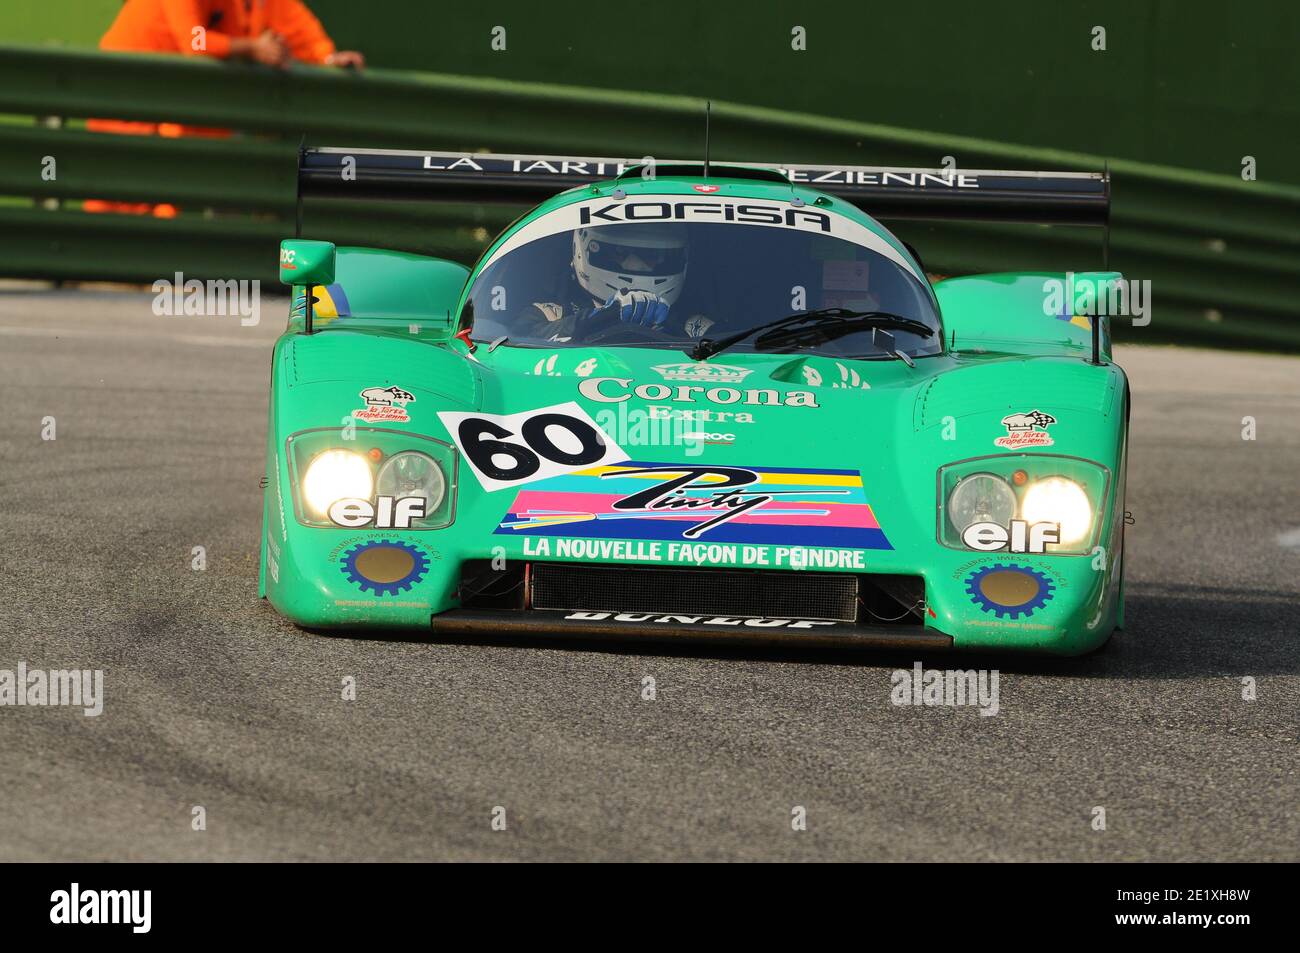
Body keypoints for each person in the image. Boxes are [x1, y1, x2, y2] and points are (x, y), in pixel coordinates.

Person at [85, 0, 364, 216]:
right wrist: (252, 47)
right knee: (115, 186)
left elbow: (298, 29)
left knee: (180, 176)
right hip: (124, 89)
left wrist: (328, 57)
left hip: (181, 99)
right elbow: (194, 41)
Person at [517, 223, 716, 342]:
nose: (636, 266)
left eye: (652, 256)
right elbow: (517, 342)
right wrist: (602, 317)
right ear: (582, 250)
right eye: (619, 253)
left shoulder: (693, 328)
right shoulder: (552, 315)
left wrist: (670, 331)